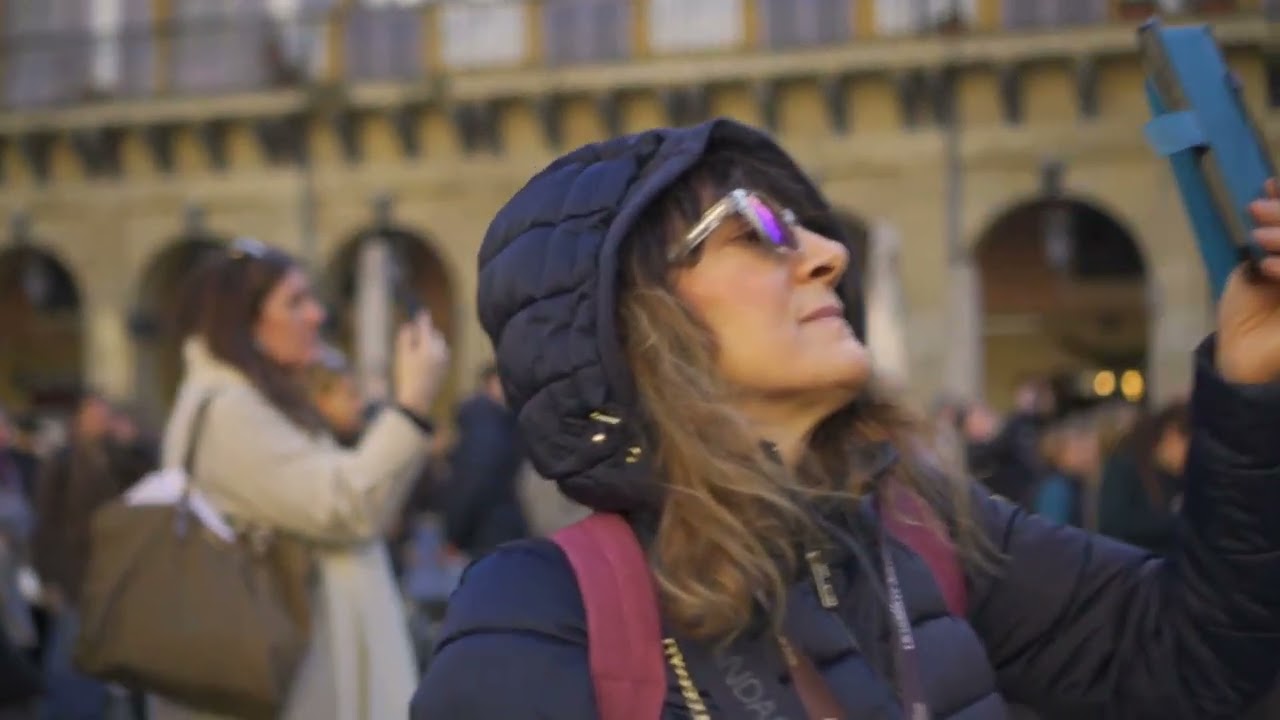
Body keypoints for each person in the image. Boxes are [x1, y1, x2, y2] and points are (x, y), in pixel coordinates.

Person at [411, 119, 1280, 719]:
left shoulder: (925, 526)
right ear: (631, 317)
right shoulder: (536, 611)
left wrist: (1248, 385)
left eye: (809, 229)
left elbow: (1193, 653)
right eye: (754, 228)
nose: (831, 254)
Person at [151, 238, 448, 720]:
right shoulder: (227, 411)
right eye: (294, 302)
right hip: (283, 689)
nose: (316, 316)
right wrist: (412, 405)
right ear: (243, 321)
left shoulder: (243, 402)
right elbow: (344, 506)